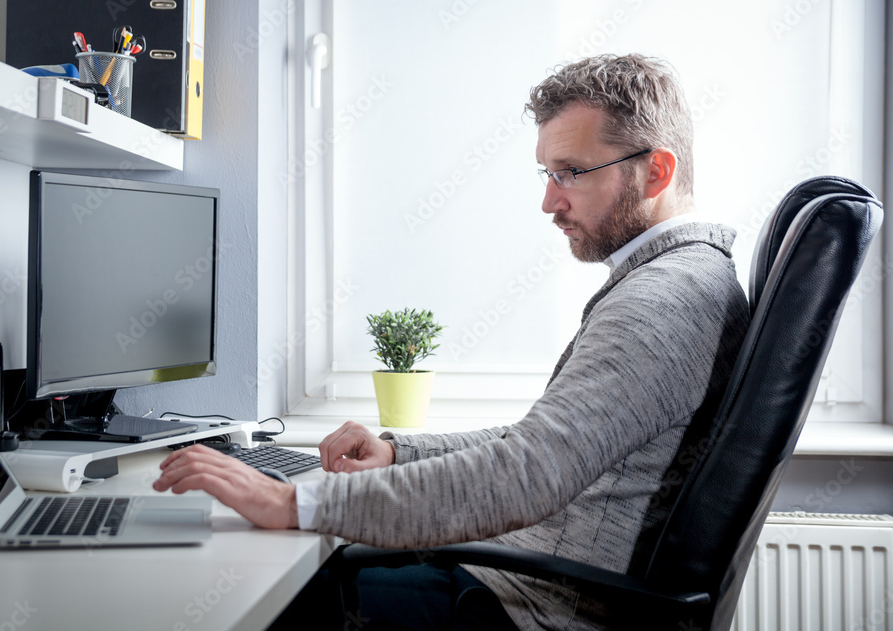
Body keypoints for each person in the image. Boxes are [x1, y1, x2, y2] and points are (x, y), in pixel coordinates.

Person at [153, 54, 751, 630]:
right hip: (524, 581)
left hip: (530, 609)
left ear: (657, 171)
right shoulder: (679, 278)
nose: (549, 201)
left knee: (253, 603)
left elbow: (530, 471)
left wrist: (296, 506)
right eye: (548, 174)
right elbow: (541, 443)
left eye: (570, 172)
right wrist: (399, 453)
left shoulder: (663, 300)